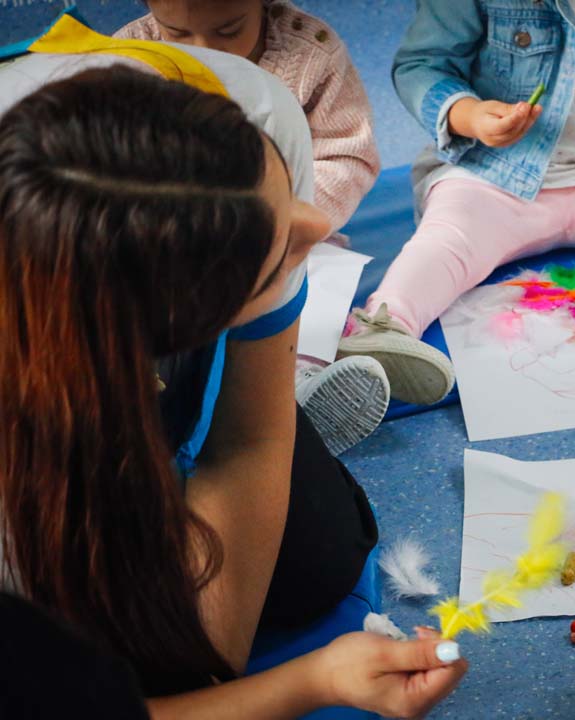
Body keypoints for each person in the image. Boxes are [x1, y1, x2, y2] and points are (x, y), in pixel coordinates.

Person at [0, 55, 465, 717]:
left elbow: (250, 437)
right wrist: (307, 684)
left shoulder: (255, 111)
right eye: (279, 256)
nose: (321, 229)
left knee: (315, 565)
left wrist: (216, 672)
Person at [337, 0, 575, 406]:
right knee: (446, 244)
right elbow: (422, 65)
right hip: (494, 174)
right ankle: (382, 331)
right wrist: (471, 116)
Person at [117, 0, 387, 454]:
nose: (205, 52)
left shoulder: (313, 53)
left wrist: (279, 220)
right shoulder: (128, 56)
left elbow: (348, 155)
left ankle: (298, 391)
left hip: (283, 236)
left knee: (313, 288)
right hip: (175, 246)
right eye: (178, 35)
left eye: (228, 30)